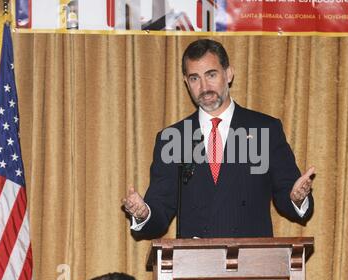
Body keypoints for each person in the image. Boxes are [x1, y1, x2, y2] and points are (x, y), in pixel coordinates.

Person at [122, 39, 315, 239]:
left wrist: (297, 199)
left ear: (228, 74)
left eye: (211, 75)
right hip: (194, 265)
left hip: (252, 263)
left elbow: (287, 194)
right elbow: (160, 208)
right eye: (195, 78)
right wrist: (144, 213)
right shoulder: (174, 138)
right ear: (186, 83)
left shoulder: (264, 129)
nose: (204, 87)